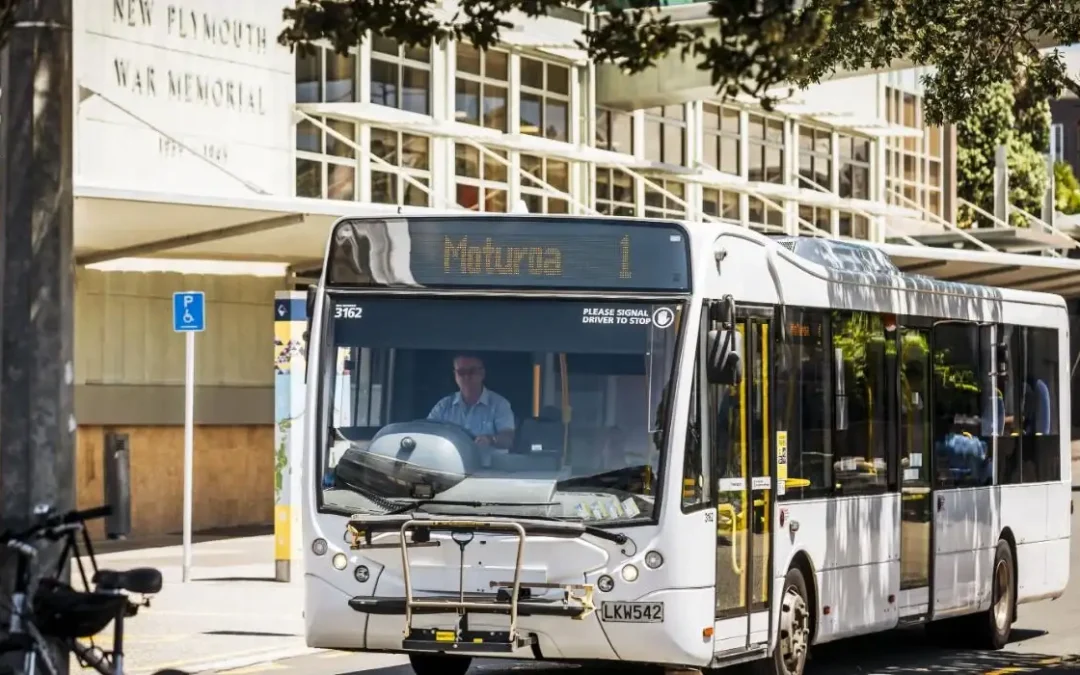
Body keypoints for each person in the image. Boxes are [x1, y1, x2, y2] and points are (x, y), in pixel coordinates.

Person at [428, 353, 515, 449]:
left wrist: (490, 439)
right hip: (451, 462)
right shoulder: (443, 406)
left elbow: (508, 439)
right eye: (461, 372)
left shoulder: (500, 404)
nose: (466, 376)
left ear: (482, 373)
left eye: (472, 371)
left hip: (489, 463)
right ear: (455, 375)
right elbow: (427, 434)